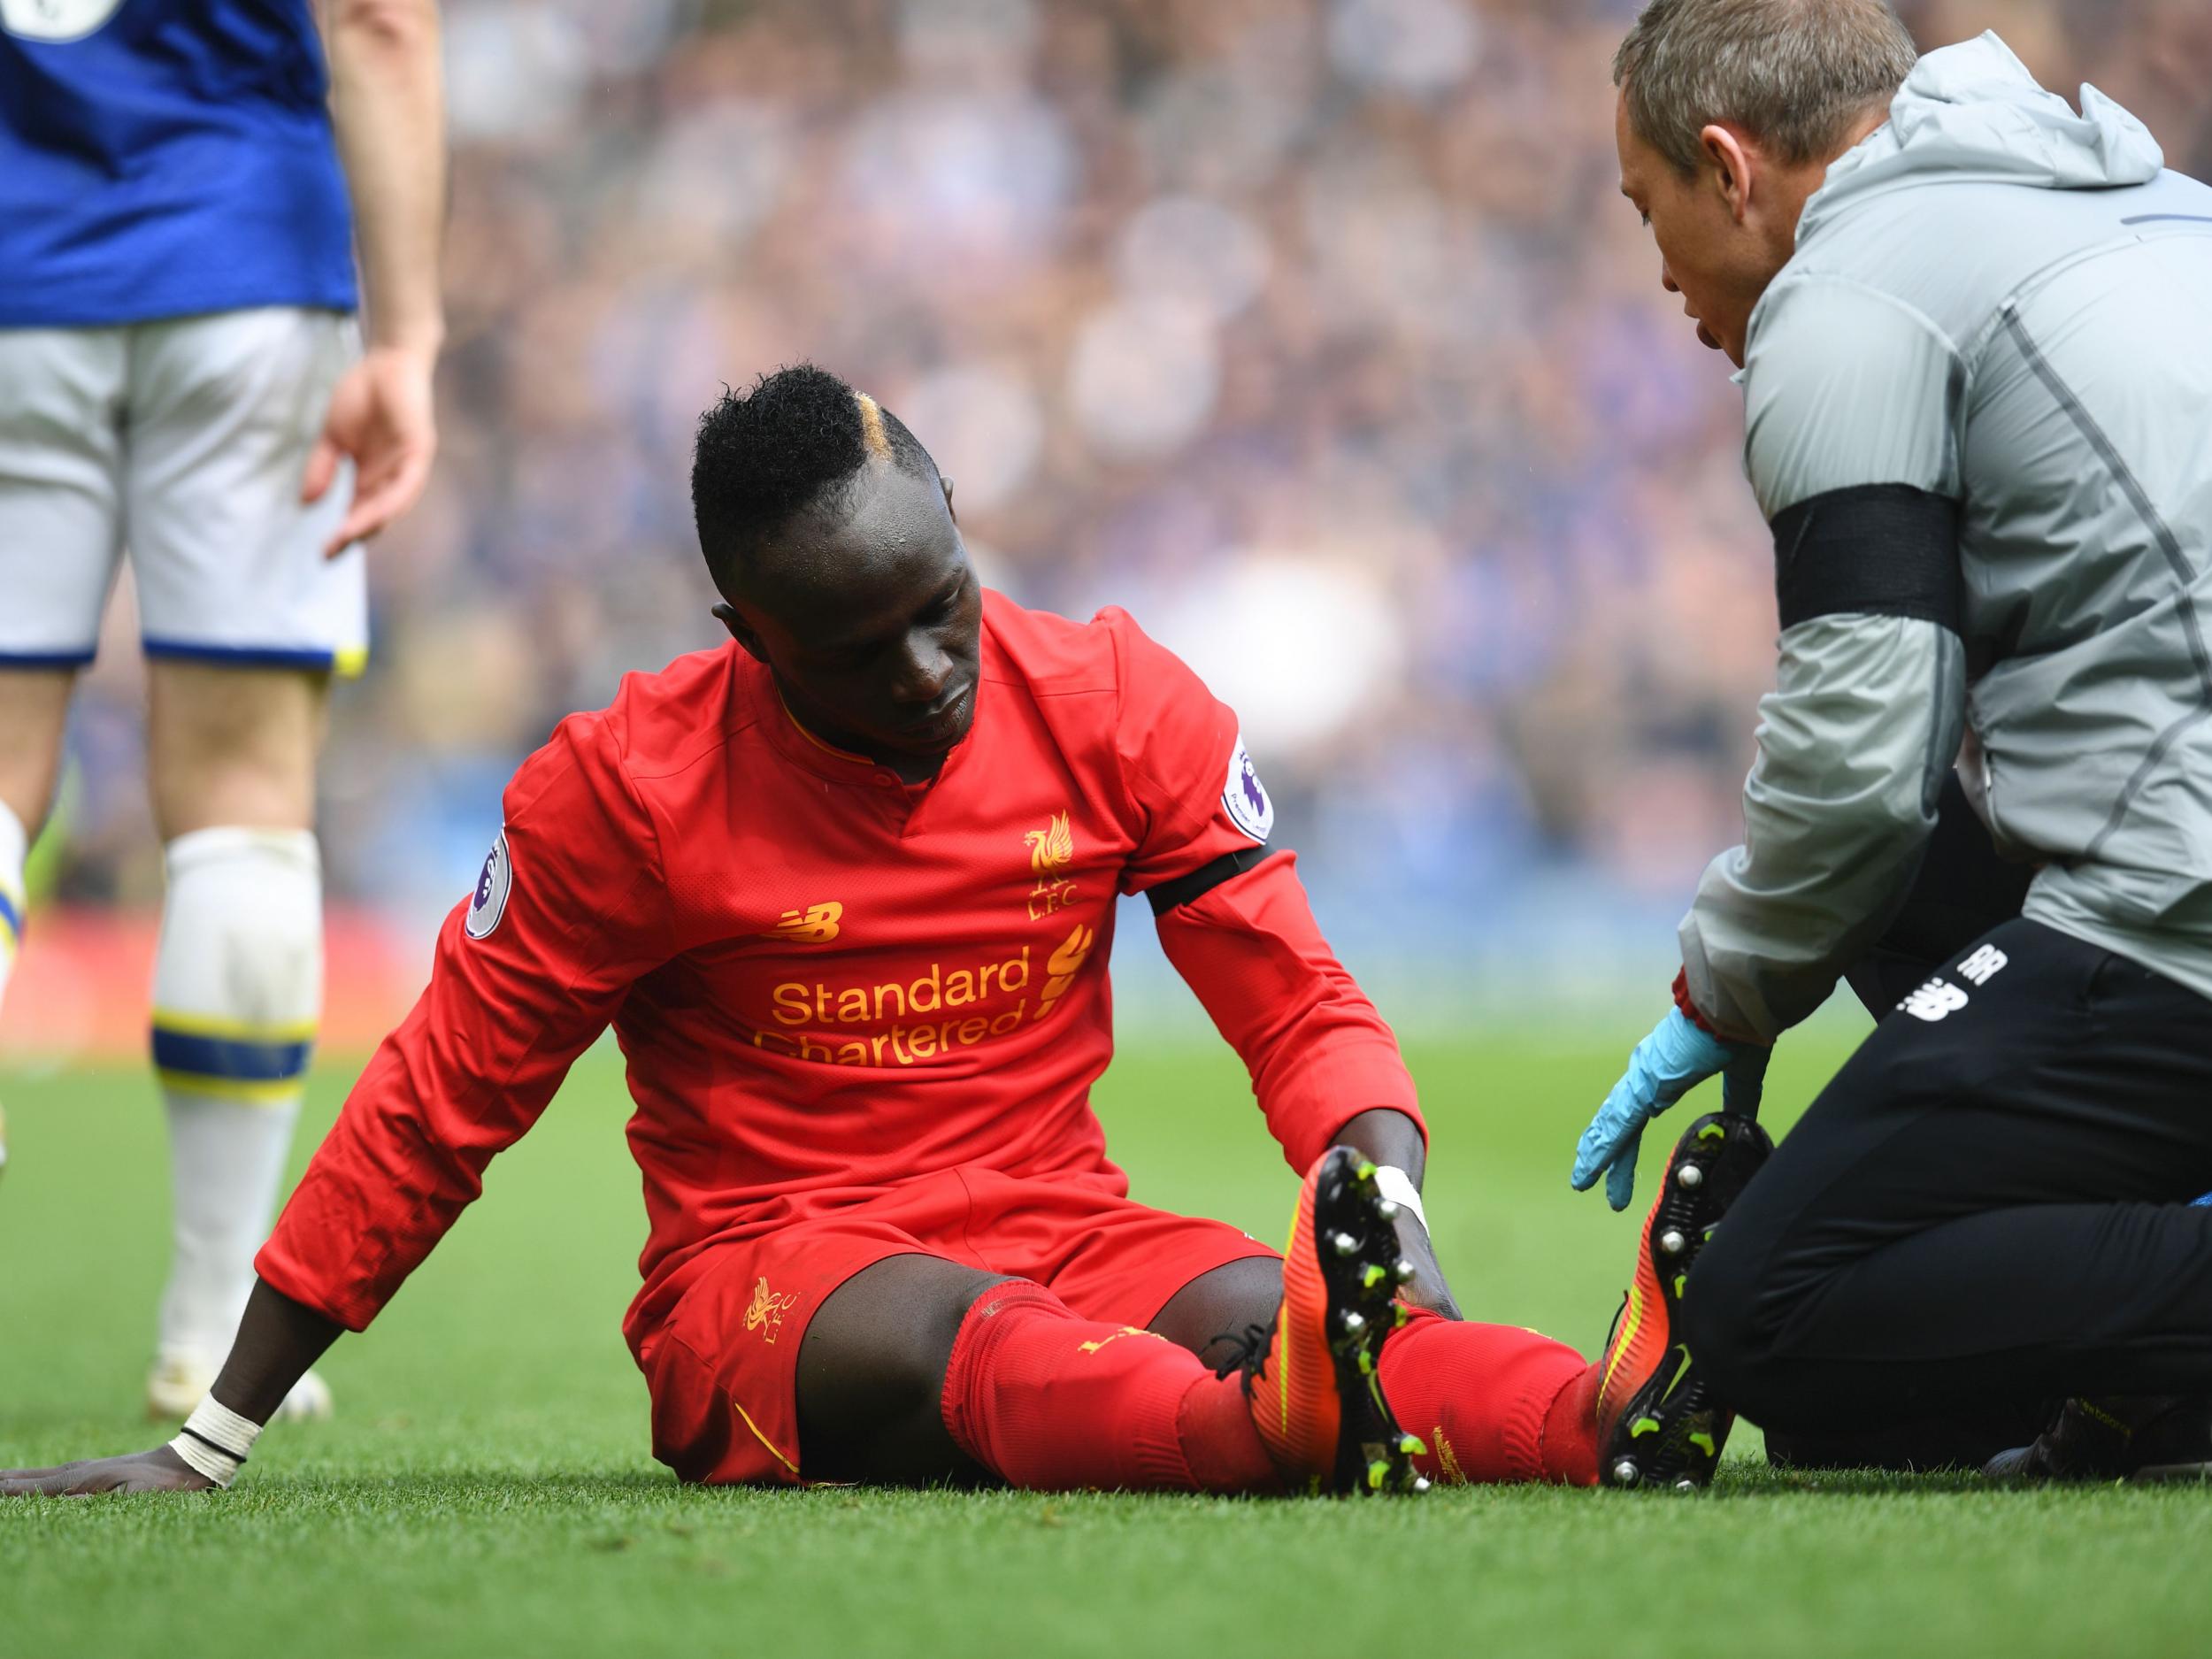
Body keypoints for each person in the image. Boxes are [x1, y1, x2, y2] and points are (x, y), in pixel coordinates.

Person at [3, 367, 1769, 1500]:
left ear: (957, 530)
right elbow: (436, 1102)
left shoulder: (1113, 700)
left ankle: (1605, 1416)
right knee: (978, 1331)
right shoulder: (619, 791)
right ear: (748, 634)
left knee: (1266, 1298)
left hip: (1072, 1226)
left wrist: (1371, 1190)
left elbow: (1289, 991)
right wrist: (214, 1429)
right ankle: (1275, 1413)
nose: (930, 670)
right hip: (770, 1283)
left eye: (945, 605)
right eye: (864, 649)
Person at [1576, 0, 2212, 1480]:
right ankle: (2157, 1384)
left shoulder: (1851, 293)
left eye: (1647, 208)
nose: (1659, 269)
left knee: (1771, 1312)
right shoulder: (2157, 201)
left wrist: (1723, 994)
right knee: (1888, 1396)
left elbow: (1859, 765)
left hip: (2175, 913)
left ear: (1728, 169)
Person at [0, 0, 446, 1418]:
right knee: (246, 804)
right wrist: (412, 336)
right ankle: (208, 1324)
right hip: (244, 263)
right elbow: (378, 20)